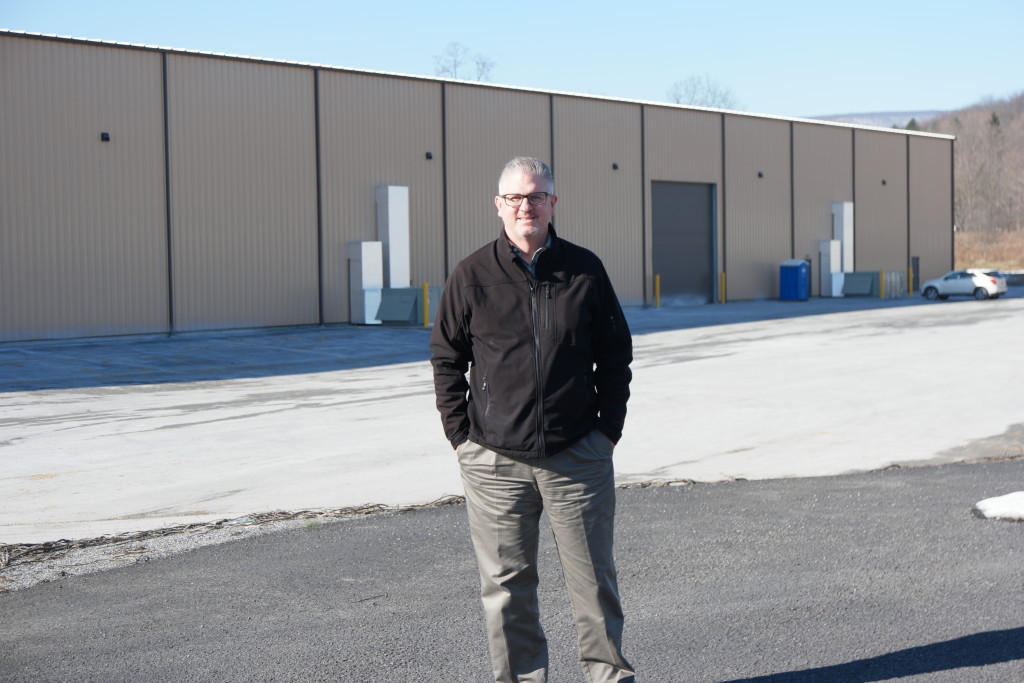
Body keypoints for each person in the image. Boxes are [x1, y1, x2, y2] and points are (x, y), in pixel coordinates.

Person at [430, 156, 635, 683]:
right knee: (506, 589)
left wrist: (606, 432)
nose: (527, 206)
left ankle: (608, 677)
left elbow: (615, 353)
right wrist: (461, 438)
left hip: (577, 455)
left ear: (553, 203)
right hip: (495, 461)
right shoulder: (472, 275)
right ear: (499, 205)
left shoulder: (585, 270)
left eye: (537, 196)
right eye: (516, 197)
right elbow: (447, 358)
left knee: (594, 584)